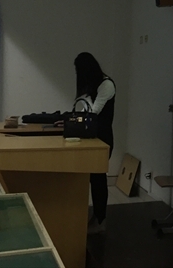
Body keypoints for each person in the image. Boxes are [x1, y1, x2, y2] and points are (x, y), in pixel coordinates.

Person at [73, 52, 115, 234]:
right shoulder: (93, 85)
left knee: (98, 179)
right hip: (93, 139)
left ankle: (101, 220)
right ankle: (96, 216)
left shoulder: (106, 85)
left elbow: (93, 112)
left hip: (103, 140)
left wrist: (84, 98)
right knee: (93, 179)